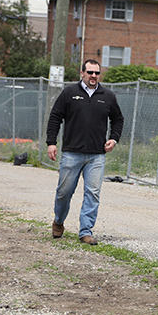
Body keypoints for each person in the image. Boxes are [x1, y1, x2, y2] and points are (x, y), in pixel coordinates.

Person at [46, 59, 124, 245]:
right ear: (82, 73)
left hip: (96, 155)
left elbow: (118, 120)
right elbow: (55, 117)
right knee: (64, 192)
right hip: (72, 153)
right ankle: (59, 220)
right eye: (90, 72)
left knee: (92, 193)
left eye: (97, 73)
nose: (93, 76)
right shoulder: (69, 93)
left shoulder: (108, 96)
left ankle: (85, 231)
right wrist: (51, 142)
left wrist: (114, 138)